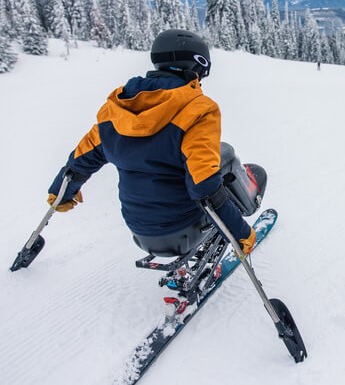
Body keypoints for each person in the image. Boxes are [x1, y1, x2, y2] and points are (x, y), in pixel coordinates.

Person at [47, 29, 256, 256]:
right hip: (184, 229)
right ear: (198, 64)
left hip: (139, 231)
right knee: (225, 156)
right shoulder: (199, 109)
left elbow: (80, 161)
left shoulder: (117, 108)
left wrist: (60, 193)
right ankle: (244, 211)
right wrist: (240, 232)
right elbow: (204, 184)